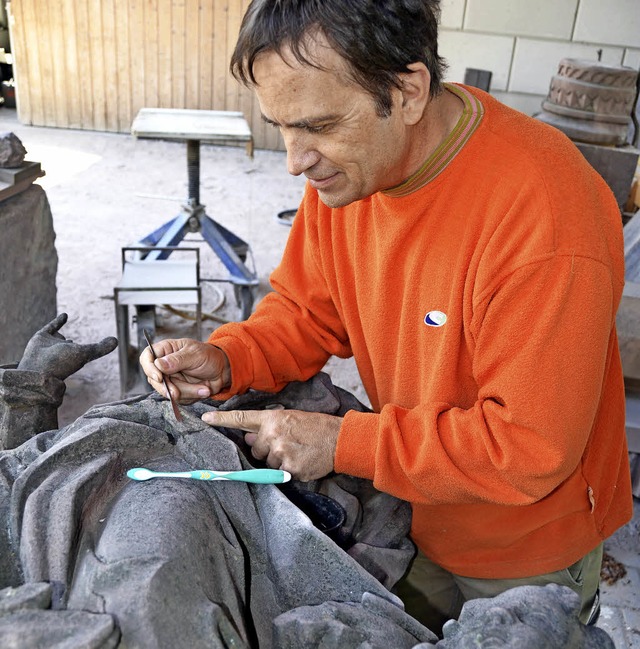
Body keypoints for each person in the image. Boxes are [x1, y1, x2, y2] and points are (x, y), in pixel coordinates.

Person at [140, 0, 633, 634]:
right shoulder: (348, 176)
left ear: (407, 90)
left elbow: (529, 448)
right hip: (410, 507)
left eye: (318, 125)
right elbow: (306, 310)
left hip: (524, 547)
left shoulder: (545, 212)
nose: (295, 159)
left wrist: (340, 443)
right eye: (281, 126)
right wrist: (230, 356)